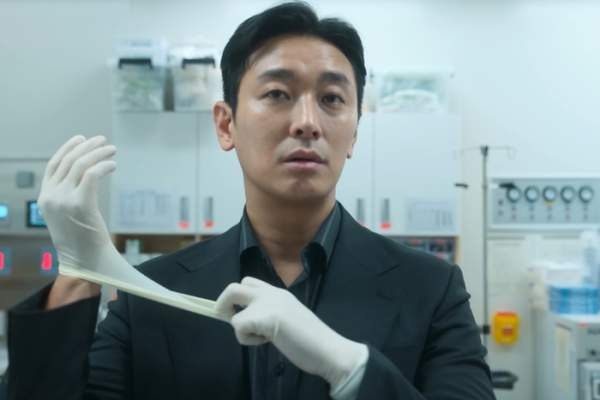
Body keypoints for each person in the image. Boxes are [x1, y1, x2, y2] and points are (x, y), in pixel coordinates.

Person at [3, 2, 495, 399]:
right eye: (278, 93)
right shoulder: (152, 294)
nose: (307, 122)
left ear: (354, 132)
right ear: (226, 124)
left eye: (331, 99)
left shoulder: (430, 289)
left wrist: (351, 369)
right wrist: (78, 273)